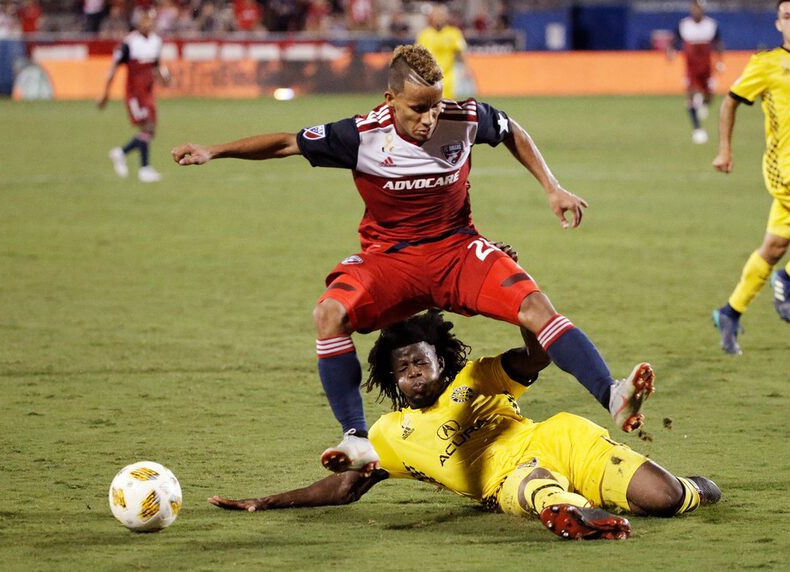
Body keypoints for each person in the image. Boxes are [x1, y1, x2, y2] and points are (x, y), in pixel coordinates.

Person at [171, 44, 653, 475]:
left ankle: (612, 394)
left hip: (456, 250)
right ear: (390, 101)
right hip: (389, 262)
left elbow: (511, 129)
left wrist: (552, 187)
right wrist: (213, 151)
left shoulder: (463, 118)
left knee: (537, 309)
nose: (428, 119)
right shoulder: (359, 136)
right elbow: (285, 142)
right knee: (329, 314)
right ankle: (357, 439)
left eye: (435, 106)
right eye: (418, 109)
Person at [209, 311, 721, 541]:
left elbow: (537, 353)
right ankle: (573, 516)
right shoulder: (387, 433)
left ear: (442, 360)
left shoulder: (476, 379)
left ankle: (688, 488)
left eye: (421, 361)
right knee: (532, 487)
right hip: (508, 481)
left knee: (666, 501)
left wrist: (518, 303)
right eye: (402, 367)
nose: (412, 371)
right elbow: (346, 486)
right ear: (391, 379)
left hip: (561, 439)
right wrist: (266, 501)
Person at [711, 0, 790, 355]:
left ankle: (730, 312)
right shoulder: (767, 64)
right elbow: (730, 101)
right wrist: (725, 149)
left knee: (774, 247)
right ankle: (786, 281)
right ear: (778, 23)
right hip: (784, 169)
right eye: (788, 17)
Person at [97, 8, 168, 183]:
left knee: (150, 130)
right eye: (144, 20)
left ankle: (121, 153)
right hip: (134, 93)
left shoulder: (156, 41)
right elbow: (114, 68)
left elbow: (156, 64)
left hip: (148, 92)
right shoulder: (129, 43)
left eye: (150, 20)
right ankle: (144, 169)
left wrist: (164, 77)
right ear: (137, 23)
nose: (147, 23)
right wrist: (105, 94)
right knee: (147, 128)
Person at [667, 0, 724, 145]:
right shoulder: (684, 25)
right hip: (691, 69)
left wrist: (719, 61)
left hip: (706, 69)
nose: (695, 11)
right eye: (693, 8)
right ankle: (697, 130)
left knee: (709, 99)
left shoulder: (710, 25)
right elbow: (673, 41)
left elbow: (718, 43)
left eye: (698, 8)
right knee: (690, 96)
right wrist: (670, 52)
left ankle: (702, 102)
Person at [416, 5, 466, 100]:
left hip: (448, 76)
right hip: (429, 77)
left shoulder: (454, 33)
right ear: (432, 18)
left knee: (449, 105)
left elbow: (461, 52)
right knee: (431, 105)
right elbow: (417, 55)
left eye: (441, 15)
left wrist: (466, 69)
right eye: (437, 15)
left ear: (446, 17)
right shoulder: (424, 35)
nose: (439, 18)